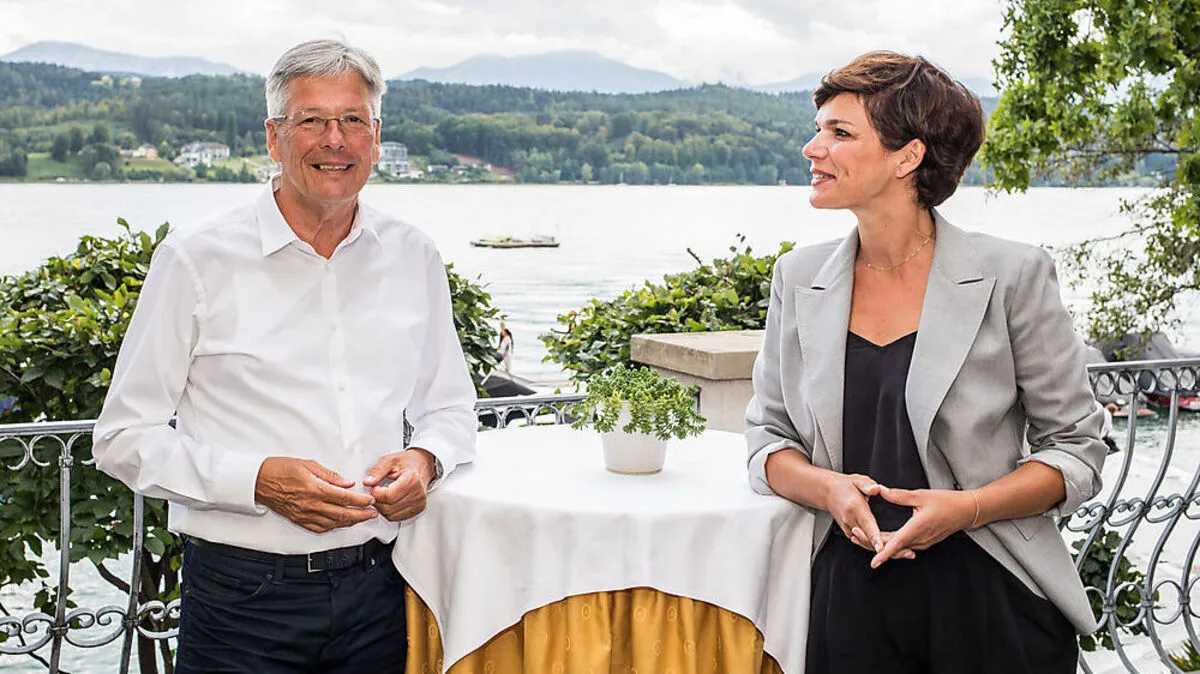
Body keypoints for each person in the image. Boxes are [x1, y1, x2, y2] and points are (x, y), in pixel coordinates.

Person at [92, 39, 477, 673]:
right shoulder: (195, 260)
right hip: (242, 602)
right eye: (312, 121)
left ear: (376, 138)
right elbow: (122, 438)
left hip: (382, 589)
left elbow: (452, 408)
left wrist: (426, 459)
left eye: (353, 120)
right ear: (274, 138)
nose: (335, 139)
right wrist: (257, 482)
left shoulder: (415, 256)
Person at [744, 51, 1106, 674]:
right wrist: (828, 489)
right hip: (844, 602)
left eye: (840, 133)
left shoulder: (1012, 275)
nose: (812, 148)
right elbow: (767, 440)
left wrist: (964, 509)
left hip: (993, 599)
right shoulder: (798, 278)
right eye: (819, 129)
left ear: (907, 157)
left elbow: (1075, 451)